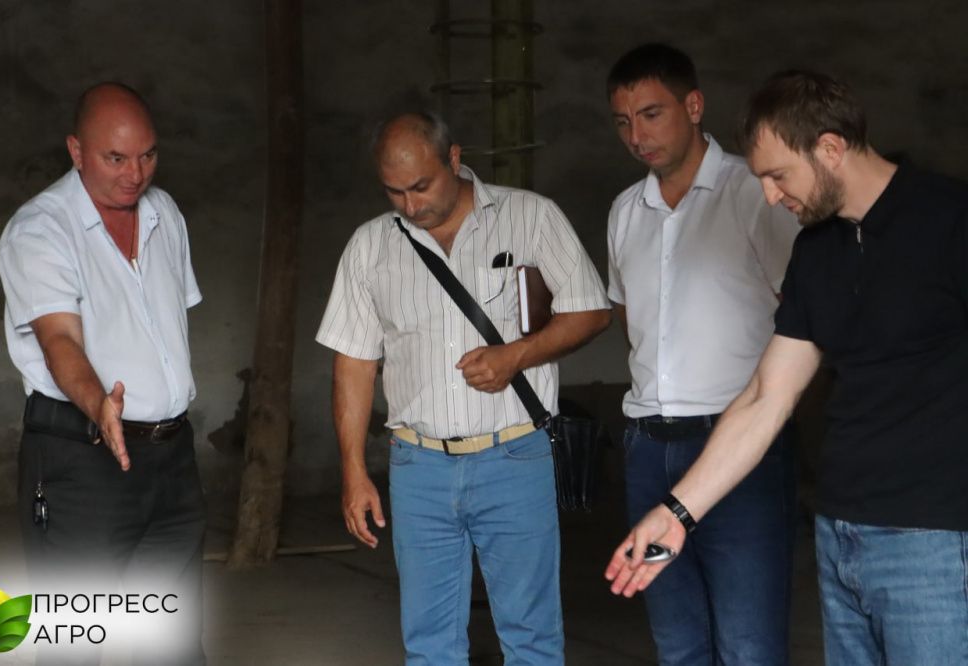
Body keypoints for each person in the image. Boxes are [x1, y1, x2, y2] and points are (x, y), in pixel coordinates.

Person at [606, 69, 968, 666]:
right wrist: (677, 513)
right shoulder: (818, 249)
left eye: (778, 176)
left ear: (830, 148)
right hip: (840, 533)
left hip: (933, 539)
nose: (771, 196)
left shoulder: (950, 220)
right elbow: (765, 397)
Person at [316, 111, 610, 665]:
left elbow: (591, 311)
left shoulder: (531, 217)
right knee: (429, 645)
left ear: (454, 159)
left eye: (421, 186)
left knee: (531, 638)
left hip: (515, 456)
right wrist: (354, 471)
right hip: (417, 468)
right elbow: (353, 363)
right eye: (394, 192)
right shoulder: (370, 246)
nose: (410, 206)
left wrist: (516, 355)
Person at [603, 44, 800, 665]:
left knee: (748, 642)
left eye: (652, 114)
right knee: (678, 641)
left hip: (737, 446)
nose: (637, 137)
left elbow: (801, 314)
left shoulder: (755, 193)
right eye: (623, 121)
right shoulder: (624, 212)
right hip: (648, 449)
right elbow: (629, 318)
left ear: (693, 106)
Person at [0, 82, 206, 665]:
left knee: (173, 645)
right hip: (82, 458)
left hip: (170, 459)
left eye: (148, 155)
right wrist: (98, 403)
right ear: (76, 151)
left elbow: (163, 327)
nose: (135, 174)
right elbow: (59, 340)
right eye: (116, 158)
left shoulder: (164, 213)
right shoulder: (41, 228)